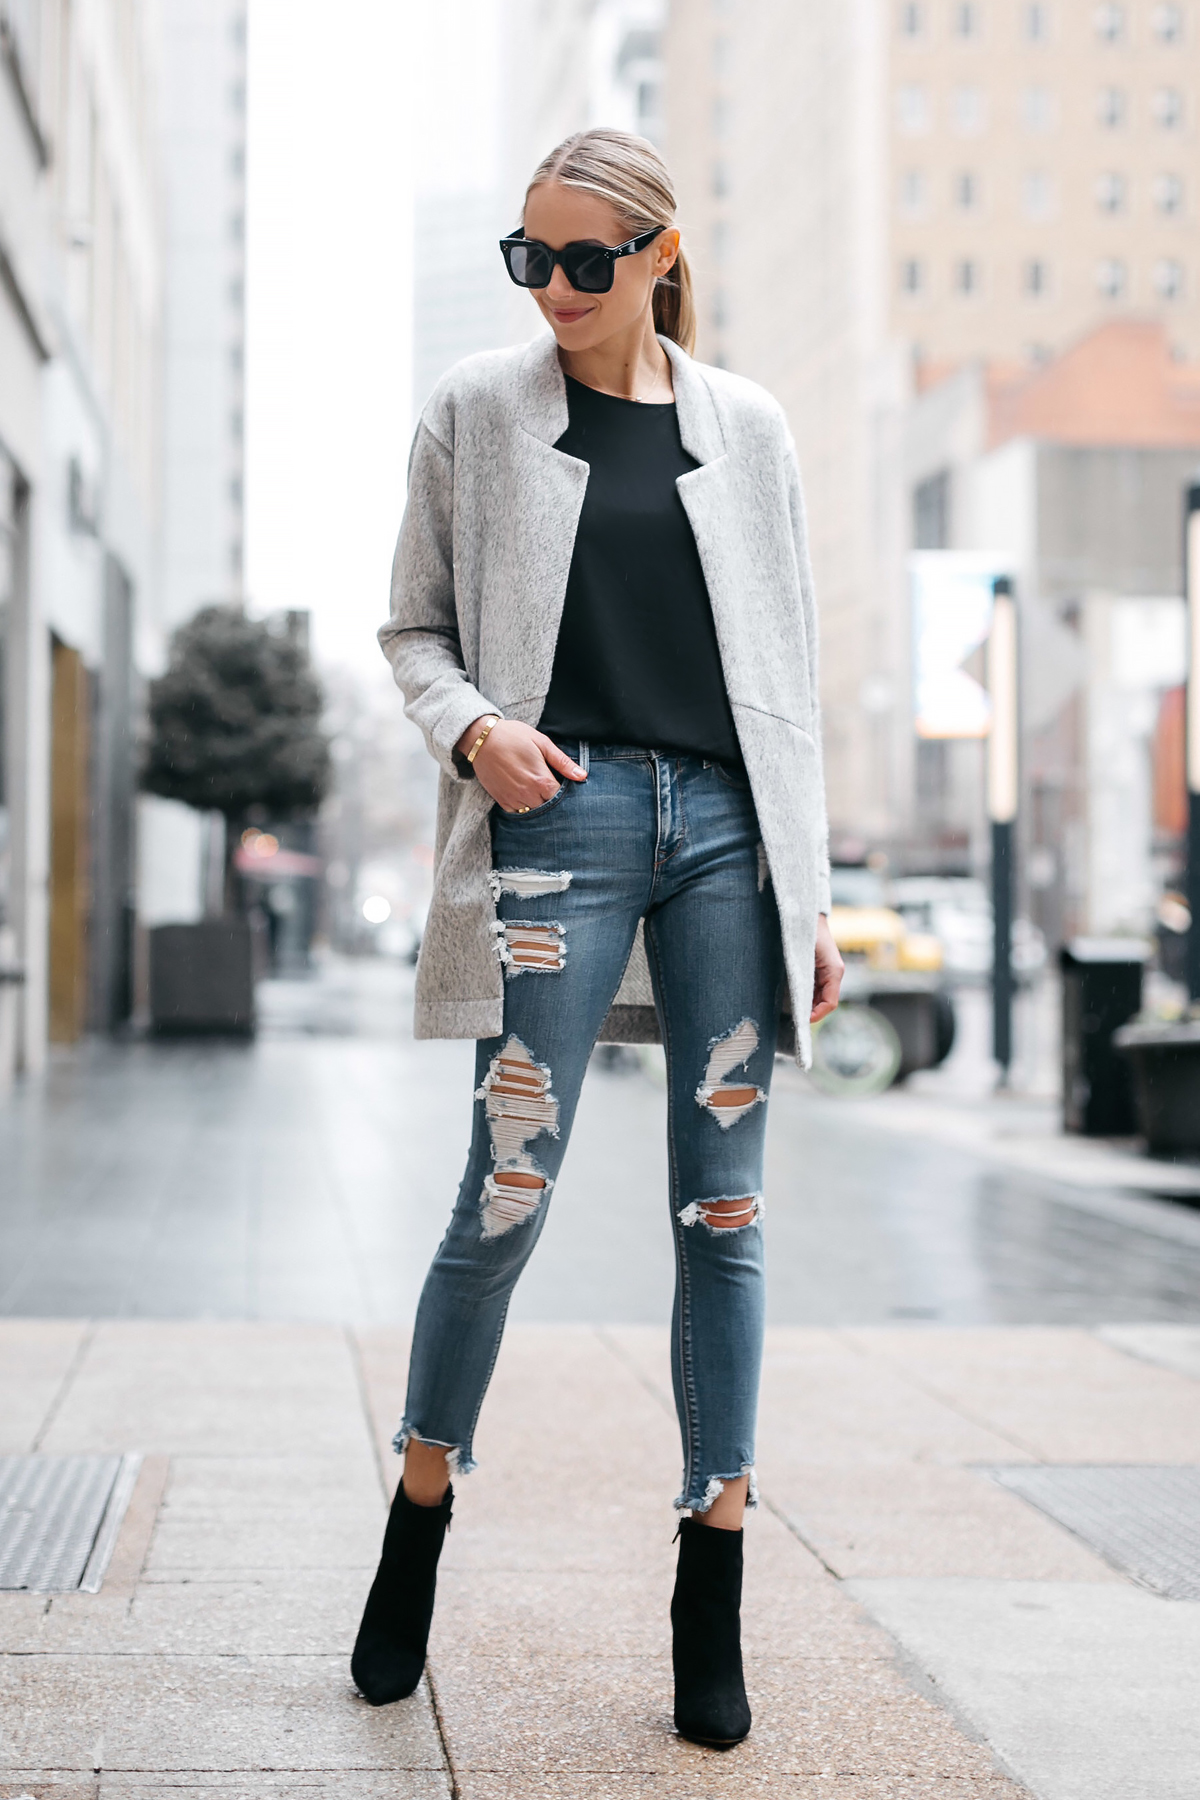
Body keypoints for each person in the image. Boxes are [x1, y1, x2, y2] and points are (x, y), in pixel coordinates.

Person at [352, 127, 843, 1750]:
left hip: (725, 837)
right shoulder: (479, 414)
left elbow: (791, 674)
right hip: (555, 826)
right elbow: (412, 624)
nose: (553, 288)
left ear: (657, 257)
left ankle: (713, 1575)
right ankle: (417, 1522)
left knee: (727, 1204)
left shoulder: (749, 428)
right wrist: (476, 726)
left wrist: (811, 893)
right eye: (529, 259)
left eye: (583, 260)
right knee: (507, 1185)